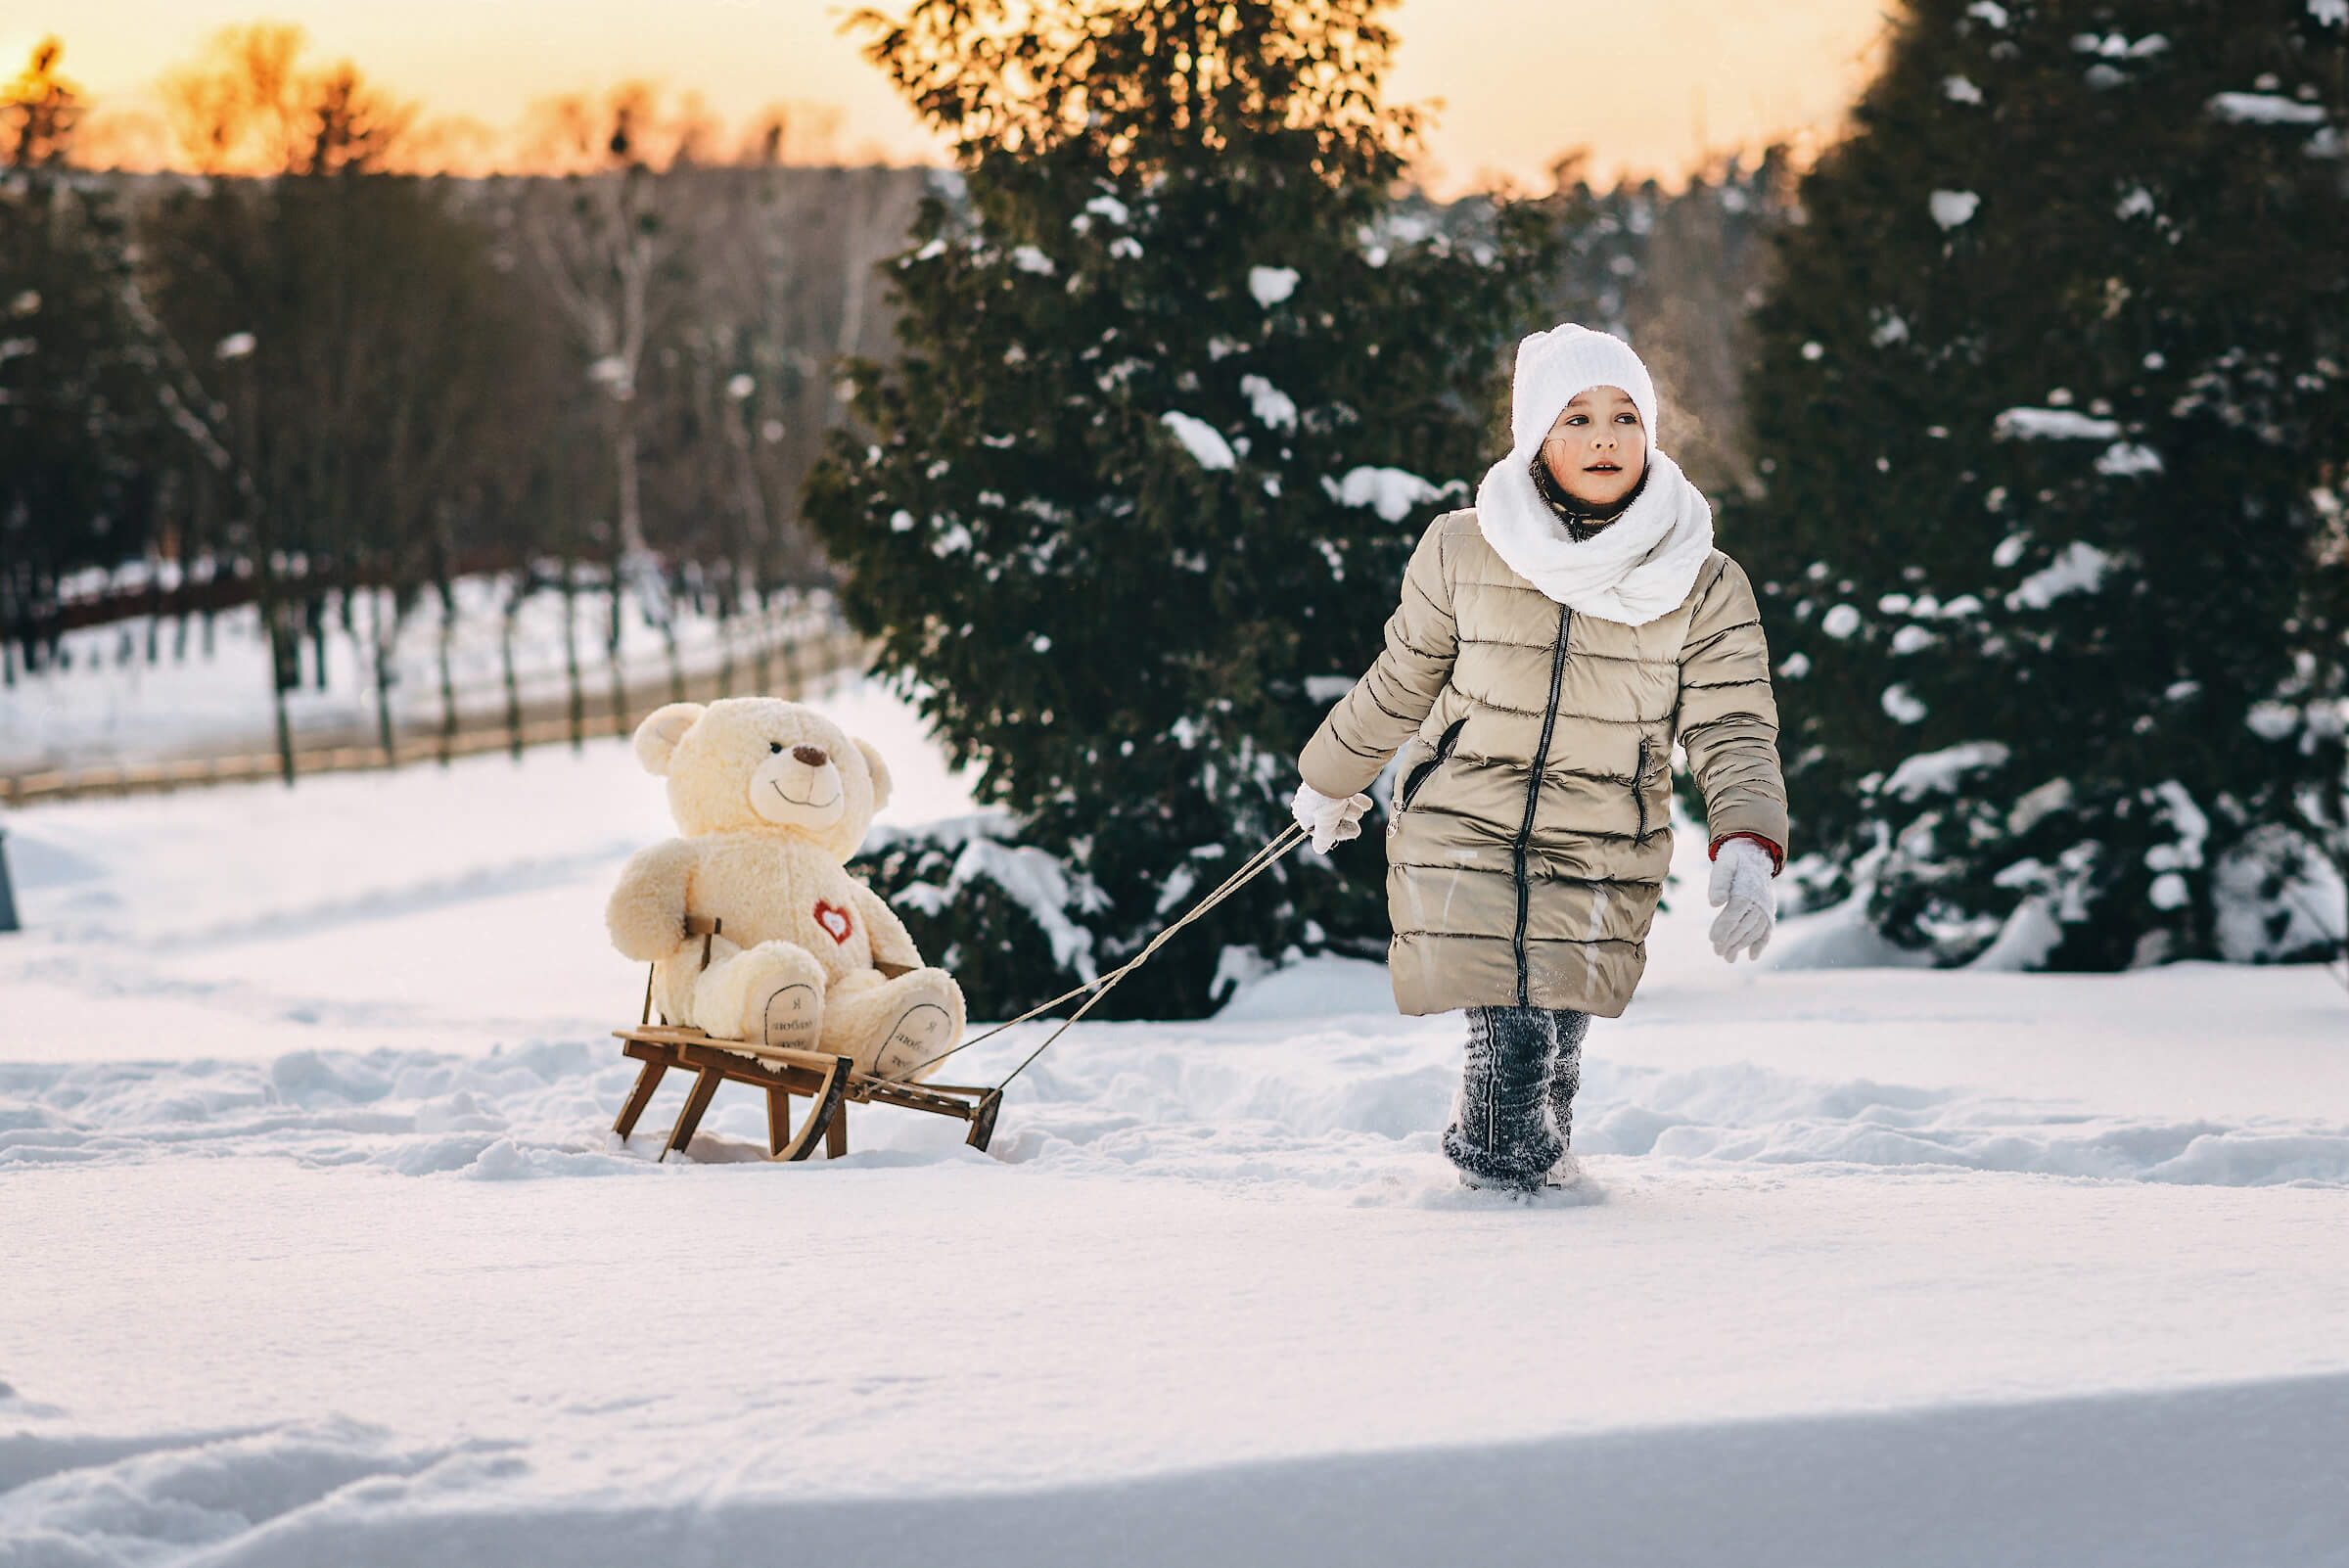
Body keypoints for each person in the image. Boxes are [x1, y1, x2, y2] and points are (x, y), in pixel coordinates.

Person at [1291, 325, 1786, 1196]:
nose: (1605, 438)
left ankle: (1546, 1192)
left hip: (1603, 843)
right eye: (1578, 416)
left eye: (1626, 417)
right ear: (1533, 437)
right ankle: (1497, 1202)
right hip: (1463, 830)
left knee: (1555, 1039)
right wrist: (1327, 779)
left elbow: (1733, 723)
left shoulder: (1703, 580)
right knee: (1513, 1041)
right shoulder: (1463, 547)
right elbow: (1402, 679)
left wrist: (1746, 839)